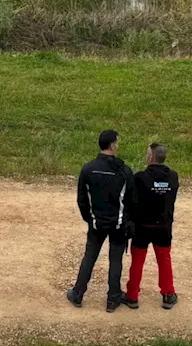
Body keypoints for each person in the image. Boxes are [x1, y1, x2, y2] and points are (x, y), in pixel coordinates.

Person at [67, 130, 136, 313]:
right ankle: (113, 299)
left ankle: (78, 293)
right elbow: (132, 200)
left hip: (96, 223)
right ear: (112, 146)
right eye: (117, 143)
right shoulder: (124, 171)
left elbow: (82, 199)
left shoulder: (88, 169)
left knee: (90, 256)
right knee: (115, 260)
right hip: (118, 224)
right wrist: (128, 220)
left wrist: (89, 219)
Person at [124, 142, 180, 310]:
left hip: (142, 226)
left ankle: (132, 295)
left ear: (150, 157)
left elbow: (132, 200)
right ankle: (168, 293)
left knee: (138, 262)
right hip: (163, 226)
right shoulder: (173, 177)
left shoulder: (140, 177)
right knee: (164, 260)